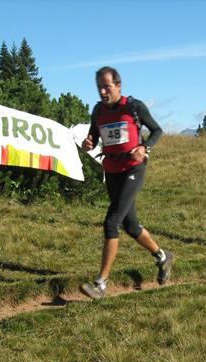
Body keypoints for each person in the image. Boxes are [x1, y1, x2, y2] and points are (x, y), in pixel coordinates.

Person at [80, 66, 173, 299]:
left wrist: (144, 147)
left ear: (118, 86)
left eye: (107, 87)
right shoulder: (98, 110)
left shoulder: (134, 106)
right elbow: (94, 136)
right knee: (131, 226)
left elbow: (157, 130)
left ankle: (100, 284)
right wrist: (88, 143)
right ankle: (163, 256)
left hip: (133, 168)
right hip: (111, 171)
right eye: (99, 87)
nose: (102, 91)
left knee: (111, 223)